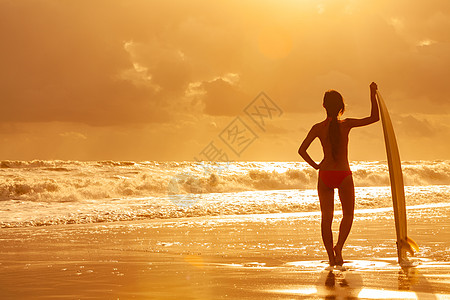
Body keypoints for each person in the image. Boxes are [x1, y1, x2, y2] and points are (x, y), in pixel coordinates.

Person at [298, 82, 379, 266]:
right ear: (341, 107)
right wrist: (372, 93)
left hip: (325, 174)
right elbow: (375, 118)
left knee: (326, 219)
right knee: (348, 215)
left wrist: (316, 166)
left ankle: (330, 258)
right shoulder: (346, 125)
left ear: (324, 106)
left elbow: (301, 150)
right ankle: (339, 248)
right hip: (343, 174)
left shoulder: (317, 127)